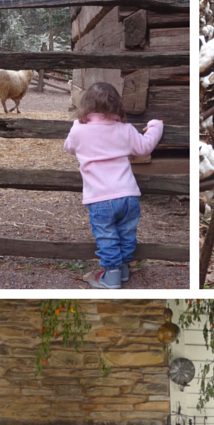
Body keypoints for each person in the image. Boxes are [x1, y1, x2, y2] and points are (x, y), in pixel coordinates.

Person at [63, 82, 164, 288]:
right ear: (117, 105)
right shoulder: (124, 129)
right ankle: (124, 269)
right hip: (127, 195)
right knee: (127, 234)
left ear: (86, 106)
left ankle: (112, 276)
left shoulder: (78, 129)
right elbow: (144, 147)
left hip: (99, 198)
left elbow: (69, 147)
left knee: (107, 237)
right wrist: (155, 126)